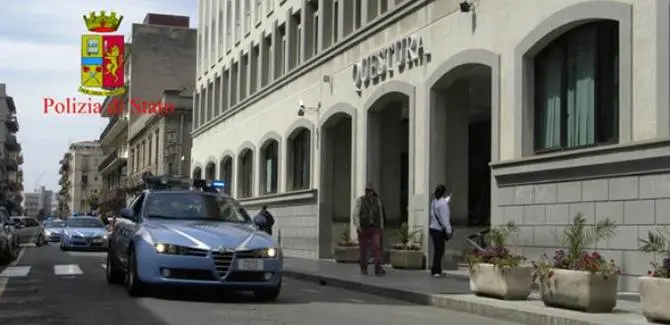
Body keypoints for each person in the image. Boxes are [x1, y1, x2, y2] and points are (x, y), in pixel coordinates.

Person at [353, 183, 386, 276]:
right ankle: (363, 267)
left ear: (373, 191)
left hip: (375, 227)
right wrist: (358, 225)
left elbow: (380, 214)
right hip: (364, 228)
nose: (368, 192)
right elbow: (356, 213)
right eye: (367, 190)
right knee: (363, 248)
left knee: (376, 247)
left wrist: (381, 226)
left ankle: (378, 266)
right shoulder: (361, 200)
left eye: (370, 190)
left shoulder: (377, 201)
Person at [429, 184, 453, 277]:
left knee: (436, 250)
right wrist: (449, 230)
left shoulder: (434, 202)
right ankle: (436, 271)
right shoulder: (443, 204)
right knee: (440, 251)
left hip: (433, 228)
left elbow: (440, 206)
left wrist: (448, 199)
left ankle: (435, 269)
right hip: (439, 230)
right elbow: (445, 218)